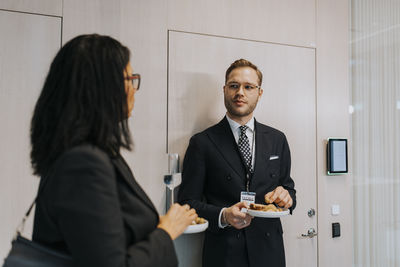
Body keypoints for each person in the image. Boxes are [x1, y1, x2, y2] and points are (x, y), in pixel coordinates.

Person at [30, 34, 197, 267]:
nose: (134, 89)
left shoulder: (90, 153)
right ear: (103, 87)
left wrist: (154, 223)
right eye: (130, 79)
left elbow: (103, 232)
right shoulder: (83, 163)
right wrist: (166, 231)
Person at [178, 59, 296, 267]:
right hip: (223, 254)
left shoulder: (277, 139)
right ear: (224, 90)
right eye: (234, 86)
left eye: (248, 87)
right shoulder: (202, 142)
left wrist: (287, 197)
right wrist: (223, 215)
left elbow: (288, 188)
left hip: (269, 252)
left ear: (259, 93)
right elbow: (187, 203)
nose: (240, 92)